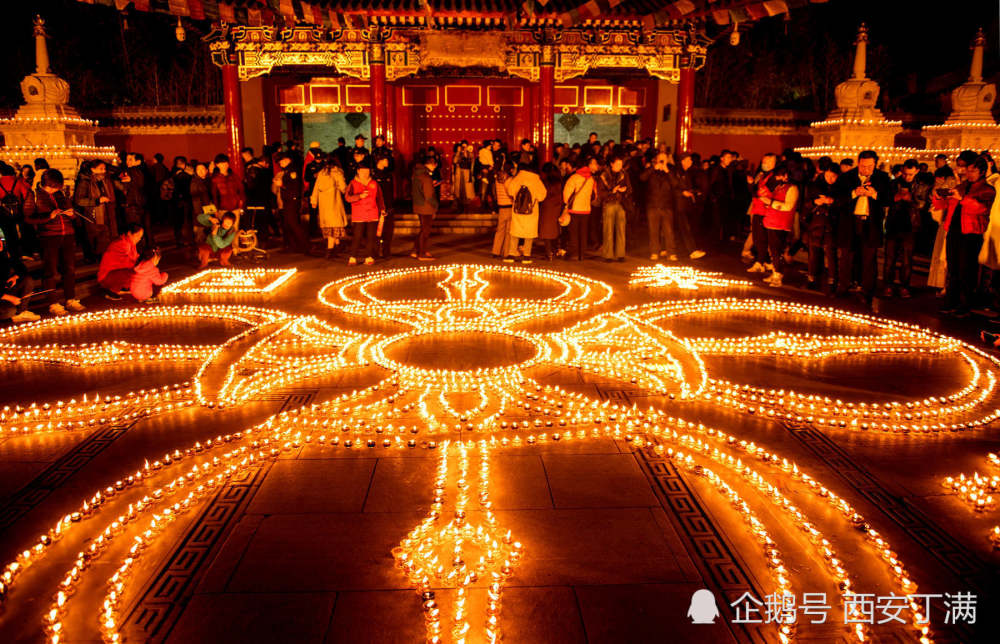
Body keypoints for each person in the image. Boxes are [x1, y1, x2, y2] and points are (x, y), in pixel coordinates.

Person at [833, 150, 891, 304]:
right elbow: (837, 199)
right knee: (846, 256)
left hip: (870, 222)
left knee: (869, 258)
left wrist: (875, 195)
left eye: (870, 166)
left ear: (875, 164)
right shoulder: (846, 177)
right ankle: (843, 286)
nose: (866, 169)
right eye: (863, 166)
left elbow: (889, 199)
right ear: (858, 163)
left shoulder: (882, 178)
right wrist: (853, 193)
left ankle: (867, 290)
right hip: (850, 222)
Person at [941, 157, 995, 317]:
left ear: (982, 172)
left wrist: (962, 199)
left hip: (971, 233)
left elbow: (981, 208)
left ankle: (965, 304)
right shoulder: (962, 186)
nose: (969, 174)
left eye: (973, 170)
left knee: (966, 270)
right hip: (954, 231)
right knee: (953, 269)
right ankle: (951, 301)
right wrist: (940, 197)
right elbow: (947, 204)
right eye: (968, 170)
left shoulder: (987, 189)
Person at [28, 169, 84, 316]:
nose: (54, 190)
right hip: (48, 236)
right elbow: (28, 218)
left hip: (67, 234)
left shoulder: (60, 194)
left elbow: (72, 213)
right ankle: (53, 303)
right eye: (51, 187)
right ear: (44, 184)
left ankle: (70, 299)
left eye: (56, 187)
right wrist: (49, 216)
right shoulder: (34, 195)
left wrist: (71, 214)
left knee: (69, 269)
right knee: (50, 271)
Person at [882, 159, 929, 299]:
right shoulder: (893, 183)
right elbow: (884, 199)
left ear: (916, 171)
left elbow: (924, 204)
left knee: (907, 260)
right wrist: (894, 198)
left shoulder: (921, 185)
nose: (907, 177)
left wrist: (911, 199)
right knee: (889, 259)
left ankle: (904, 286)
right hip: (893, 224)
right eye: (905, 173)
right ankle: (888, 285)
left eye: (910, 174)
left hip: (910, 225)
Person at [642, 152, 701, 261]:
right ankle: (654, 252)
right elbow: (642, 178)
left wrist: (667, 171)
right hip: (653, 205)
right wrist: (653, 169)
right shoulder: (651, 169)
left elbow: (676, 184)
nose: (662, 161)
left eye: (664, 159)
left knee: (668, 231)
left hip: (667, 205)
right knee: (653, 231)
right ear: (656, 159)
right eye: (660, 159)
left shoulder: (672, 170)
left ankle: (671, 252)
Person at [757, 164, 799, 287]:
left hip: (780, 223)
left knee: (777, 250)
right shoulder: (780, 187)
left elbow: (788, 206)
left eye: (779, 175)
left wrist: (770, 202)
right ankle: (775, 271)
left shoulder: (792, 188)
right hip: (771, 221)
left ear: (786, 176)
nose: (776, 178)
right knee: (773, 249)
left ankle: (778, 274)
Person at [803, 163, 840, 291]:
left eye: (834, 177)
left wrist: (832, 202)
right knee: (813, 254)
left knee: (830, 254)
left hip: (831, 225)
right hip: (816, 223)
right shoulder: (814, 186)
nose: (831, 179)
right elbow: (806, 204)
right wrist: (815, 202)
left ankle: (832, 280)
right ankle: (812, 278)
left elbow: (844, 205)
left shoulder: (839, 189)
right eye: (829, 175)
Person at [503, 161, 546, 264]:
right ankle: (527, 256)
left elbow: (510, 191)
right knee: (529, 233)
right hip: (531, 210)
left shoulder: (518, 178)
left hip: (518, 209)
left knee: (515, 232)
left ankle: (511, 254)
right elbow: (542, 196)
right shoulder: (536, 179)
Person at [344, 160, 384, 265]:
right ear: (358, 171)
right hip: (359, 214)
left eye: (367, 171)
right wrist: (359, 196)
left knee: (371, 236)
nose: (366, 174)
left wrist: (382, 209)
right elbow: (347, 197)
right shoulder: (353, 183)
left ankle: (369, 257)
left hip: (372, 213)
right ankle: (353, 257)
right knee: (357, 236)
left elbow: (379, 197)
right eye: (363, 171)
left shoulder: (374, 183)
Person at [310, 156, 348, 259]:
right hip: (334, 203)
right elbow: (343, 188)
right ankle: (330, 250)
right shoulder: (337, 173)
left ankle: (337, 246)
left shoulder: (321, 173)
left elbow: (316, 187)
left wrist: (314, 201)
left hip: (324, 205)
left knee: (330, 227)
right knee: (334, 227)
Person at [928, 165, 958, 293]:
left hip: (960, 226)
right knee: (944, 257)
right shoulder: (951, 184)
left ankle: (951, 287)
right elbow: (942, 204)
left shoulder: (965, 186)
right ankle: (944, 285)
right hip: (948, 224)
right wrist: (938, 197)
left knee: (952, 259)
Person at [745, 153, 777, 272]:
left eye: (765, 162)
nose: (763, 164)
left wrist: (753, 188)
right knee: (758, 237)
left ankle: (761, 262)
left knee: (760, 238)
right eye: (762, 162)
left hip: (765, 211)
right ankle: (766, 261)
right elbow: (754, 192)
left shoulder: (773, 177)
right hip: (758, 209)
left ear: (772, 162)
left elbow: (759, 193)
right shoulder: (763, 175)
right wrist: (751, 184)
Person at [563, 156, 598, 261]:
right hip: (586, 210)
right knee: (583, 232)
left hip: (574, 209)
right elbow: (594, 196)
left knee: (574, 232)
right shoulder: (591, 179)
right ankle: (582, 254)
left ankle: (574, 253)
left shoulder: (574, 177)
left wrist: (566, 204)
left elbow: (566, 193)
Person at [599, 155, 632, 262]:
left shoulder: (623, 174)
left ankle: (620, 254)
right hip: (609, 203)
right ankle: (608, 255)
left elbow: (630, 189)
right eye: (617, 164)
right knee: (608, 229)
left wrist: (624, 190)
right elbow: (600, 193)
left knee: (621, 229)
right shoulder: (604, 176)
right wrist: (611, 191)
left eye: (621, 165)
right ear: (611, 164)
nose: (620, 166)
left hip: (620, 203)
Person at [0, 162, 36, 262]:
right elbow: (27, 194)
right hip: (18, 210)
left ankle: (13, 253)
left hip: (3, 212)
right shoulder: (18, 181)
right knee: (24, 230)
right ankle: (26, 252)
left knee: (9, 233)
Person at [273, 153, 309, 254]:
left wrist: (282, 185)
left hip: (292, 200)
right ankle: (294, 245)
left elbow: (295, 187)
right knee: (289, 224)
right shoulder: (286, 171)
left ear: (288, 160)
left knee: (293, 224)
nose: (281, 163)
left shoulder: (292, 171)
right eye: (280, 161)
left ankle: (305, 245)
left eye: (283, 161)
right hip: (288, 200)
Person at [0, 227, 37, 323]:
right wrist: (8, 298)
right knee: (9, 311)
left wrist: (15, 277)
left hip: (6, 288)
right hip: (2, 296)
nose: (0, 244)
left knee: (27, 280)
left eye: (1, 241)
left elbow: (22, 269)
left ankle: (21, 312)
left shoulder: (5, 254)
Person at [97, 223, 143, 300]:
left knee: (139, 271)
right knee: (135, 271)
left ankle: (122, 288)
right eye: (138, 236)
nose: (139, 239)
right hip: (107, 277)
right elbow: (127, 262)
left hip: (115, 273)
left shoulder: (130, 244)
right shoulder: (122, 244)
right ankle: (111, 291)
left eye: (141, 237)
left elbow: (135, 258)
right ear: (129, 233)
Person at [243, 156, 275, 247]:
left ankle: (251, 242)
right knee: (262, 222)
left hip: (250, 201)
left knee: (251, 222)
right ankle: (262, 242)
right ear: (264, 163)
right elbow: (267, 188)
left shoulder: (247, 170)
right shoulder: (265, 172)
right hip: (262, 201)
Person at [411, 155, 438, 261]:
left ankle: (416, 250)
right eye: (434, 165)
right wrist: (435, 206)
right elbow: (429, 195)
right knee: (425, 231)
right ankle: (421, 254)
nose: (435, 167)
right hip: (426, 207)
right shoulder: (426, 177)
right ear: (429, 164)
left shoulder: (417, 174)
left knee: (423, 229)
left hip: (418, 205)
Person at [537, 162, 563, 260]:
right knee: (554, 231)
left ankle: (549, 253)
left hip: (547, 207)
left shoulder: (545, 182)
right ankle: (555, 251)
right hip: (557, 207)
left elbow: (543, 194)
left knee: (546, 232)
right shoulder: (559, 181)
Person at [117, 152, 149, 235]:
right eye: (127, 159)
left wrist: (116, 182)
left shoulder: (131, 171)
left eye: (130, 159)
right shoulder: (146, 170)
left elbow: (124, 187)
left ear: (138, 161)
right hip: (144, 202)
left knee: (134, 227)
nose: (127, 161)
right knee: (145, 226)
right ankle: (150, 245)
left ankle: (135, 247)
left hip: (133, 203)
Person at [491, 161, 516, 258]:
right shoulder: (509, 180)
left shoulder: (497, 179)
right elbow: (511, 192)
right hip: (509, 207)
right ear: (510, 169)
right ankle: (506, 252)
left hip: (501, 207)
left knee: (499, 230)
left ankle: (496, 251)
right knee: (508, 231)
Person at [373, 154, 395, 259]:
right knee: (378, 231)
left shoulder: (388, 174)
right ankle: (376, 251)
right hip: (377, 207)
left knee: (389, 230)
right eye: (386, 159)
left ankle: (386, 251)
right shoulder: (374, 175)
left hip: (389, 206)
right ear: (380, 160)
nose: (388, 161)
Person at [189, 162, 214, 244]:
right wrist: (201, 215)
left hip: (208, 212)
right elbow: (196, 201)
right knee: (201, 237)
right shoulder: (195, 182)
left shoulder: (207, 181)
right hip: (200, 214)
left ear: (206, 170)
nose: (200, 171)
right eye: (198, 169)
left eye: (202, 169)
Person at [452, 140, 475, 213]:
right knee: (459, 191)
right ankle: (459, 207)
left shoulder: (470, 154)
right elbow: (455, 161)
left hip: (467, 173)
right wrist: (459, 153)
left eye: (465, 146)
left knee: (467, 192)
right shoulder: (458, 154)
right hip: (459, 173)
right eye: (463, 146)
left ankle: (466, 208)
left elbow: (472, 162)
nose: (464, 148)